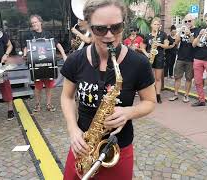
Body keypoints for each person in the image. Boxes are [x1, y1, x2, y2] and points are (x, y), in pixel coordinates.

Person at [60, 0, 156, 179]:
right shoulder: (75, 60)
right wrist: (73, 129)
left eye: (116, 27)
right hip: (84, 146)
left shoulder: (139, 63)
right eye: (100, 29)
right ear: (89, 26)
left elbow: (150, 101)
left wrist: (129, 112)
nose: (110, 36)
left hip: (118, 147)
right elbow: (66, 97)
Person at [23, 14, 67, 112]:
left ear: (40, 22)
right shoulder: (29, 35)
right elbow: (26, 46)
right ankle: (37, 104)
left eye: (35, 22)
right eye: (32, 23)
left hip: (48, 64)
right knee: (38, 86)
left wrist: (64, 55)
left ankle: (48, 104)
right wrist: (25, 54)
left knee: (49, 86)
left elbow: (57, 44)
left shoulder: (48, 34)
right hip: (37, 64)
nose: (34, 24)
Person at [169, 14, 199, 103]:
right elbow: (176, 42)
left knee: (189, 78)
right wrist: (179, 32)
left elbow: (195, 43)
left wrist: (189, 34)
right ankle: (175, 94)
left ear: (193, 20)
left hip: (191, 58)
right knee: (177, 77)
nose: (187, 23)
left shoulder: (197, 30)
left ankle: (186, 95)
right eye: (185, 21)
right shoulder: (182, 30)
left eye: (189, 21)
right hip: (180, 57)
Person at [143, 17, 169, 104]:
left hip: (159, 58)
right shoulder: (147, 35)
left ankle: (158, 95)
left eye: (158, 24)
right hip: (150, 57)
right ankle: (149, 94)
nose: (156, 26)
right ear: (151, 25)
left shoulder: (163, 34)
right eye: (155, 24)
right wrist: (147, 54)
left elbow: (166, 45)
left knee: (158, 78)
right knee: (149, 77)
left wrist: (159, 44)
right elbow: (142, 47)